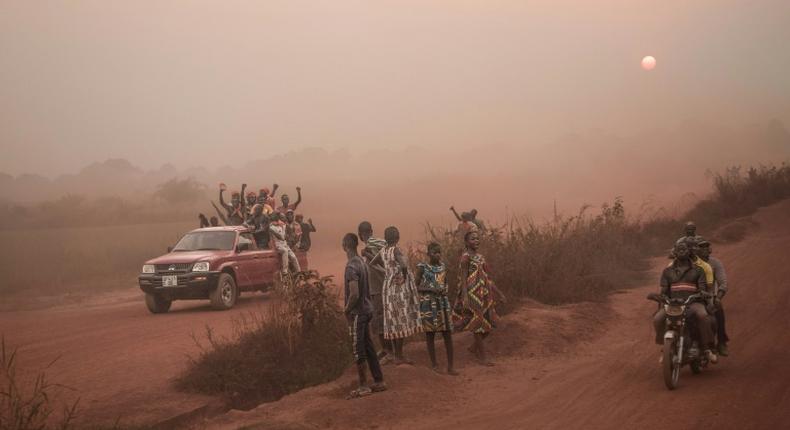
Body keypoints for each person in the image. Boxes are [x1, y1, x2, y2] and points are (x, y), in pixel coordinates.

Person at [652, 241, 718, 364]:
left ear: (689, 252)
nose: (682, 251)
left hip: (693, 303)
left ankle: (707, 348)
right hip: (673, 304)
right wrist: (659, 297)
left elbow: (702, 288)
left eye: (684, 249)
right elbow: (664, 290)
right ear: (674, 252)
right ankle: (665, 348)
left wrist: (702, 293)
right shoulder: (667, 271)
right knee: (657, 319)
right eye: (679, 249)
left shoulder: (699, 270)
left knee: (703, 316)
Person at [342, 233, 387, 399]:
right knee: (369, 347)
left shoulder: (351, 267)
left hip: (358, 313)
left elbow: (354, 293)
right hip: (368, 310)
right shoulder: (362, 262)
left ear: (345, 245)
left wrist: (346, 310)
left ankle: (363, 386)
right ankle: (379, 380)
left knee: (358, 348)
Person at [452, 230, 506, 366]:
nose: (476, 241)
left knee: (492, 323)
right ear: (466, 242)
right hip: (472, 294)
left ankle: (473, 348)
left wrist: (499, 293)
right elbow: (463, 278)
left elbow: (488, 278)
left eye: (477, 239)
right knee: (478, 324)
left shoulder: (481, 257)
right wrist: (464, 296)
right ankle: (483, 358)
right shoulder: (465, 258)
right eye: (472, 239)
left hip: (484, 294)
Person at [374, 226, 422, 364]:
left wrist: (387, 273)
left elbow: (373, 263)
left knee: (393, 321)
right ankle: (399, 356)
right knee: (400, 320)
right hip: (399, 289)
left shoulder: (383, 250)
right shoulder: (395, 250)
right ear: (397, 237)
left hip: (388, 289)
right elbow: (404, 265)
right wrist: (404, 277)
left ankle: (396, 354)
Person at [416, 242, 457, 375]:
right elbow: (416, 287)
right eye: (434, 252)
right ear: (428, 253)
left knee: (447, 334)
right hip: (428, 304)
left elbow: (446, 283)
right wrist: (431, 289)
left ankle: (451, 367)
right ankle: (434, 365)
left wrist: (445, 290)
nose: (437, 254)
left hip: (443, 304)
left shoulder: (443, 267)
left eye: (439, 252)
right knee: (430, 335)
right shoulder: (422, 268)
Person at [358, 221, 393, 361]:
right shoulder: (377, 243)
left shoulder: (372, 245)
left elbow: (381, 262)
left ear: (360, 235)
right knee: (378, 320)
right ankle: (385, 349)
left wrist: (367, 254)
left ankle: (389, 351)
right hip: (377, 288)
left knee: (381, 320)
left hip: (379, 288)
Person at [696, 239, 730, 356]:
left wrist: (718, 298)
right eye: (701, 247)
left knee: (718, 309)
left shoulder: (716, 263)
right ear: (695, 250)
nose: (704, 249)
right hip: (693, 296)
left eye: (706, 247)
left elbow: (723, 283)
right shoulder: (691, 262)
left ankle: (721, 341)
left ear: (710, 249)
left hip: (710, 296)